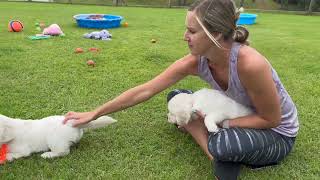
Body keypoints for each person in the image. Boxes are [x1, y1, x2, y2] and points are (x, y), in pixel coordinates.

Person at [64, 0, 299, 179]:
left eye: (192, 31)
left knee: (223, 144)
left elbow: (271, 119)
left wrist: (221, 124)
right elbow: (146, 90)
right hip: (234, 113)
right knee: (177, 98)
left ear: (215, 34)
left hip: (277, 134)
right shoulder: (196, 60)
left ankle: (213, 146)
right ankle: (209, 145)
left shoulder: (250, 64)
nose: (185, 37)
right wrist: (94, 113)